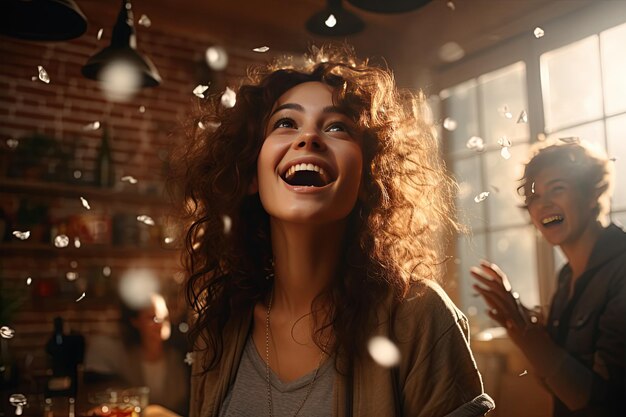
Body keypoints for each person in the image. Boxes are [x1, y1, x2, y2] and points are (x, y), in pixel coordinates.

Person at [175, 45, 494, 417]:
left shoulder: (420, 316)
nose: (308, 138)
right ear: (249, 174)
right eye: (286, 123)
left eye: (337, 127)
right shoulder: (219, 322)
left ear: (368, 180)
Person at [470, 139, 625, 416]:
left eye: (557, 189)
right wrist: (520, 325)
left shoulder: (621, 270)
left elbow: (603, 403)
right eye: (533, 197)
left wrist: (530, 338)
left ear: (591, 194)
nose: (543, 205)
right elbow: (558, 386)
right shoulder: (566, 277)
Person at [83, 293, 189, 415]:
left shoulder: (179, 357)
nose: (161, 323)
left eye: (165, 317)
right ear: (135, 321)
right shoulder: (126, 358)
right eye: (153, 318)